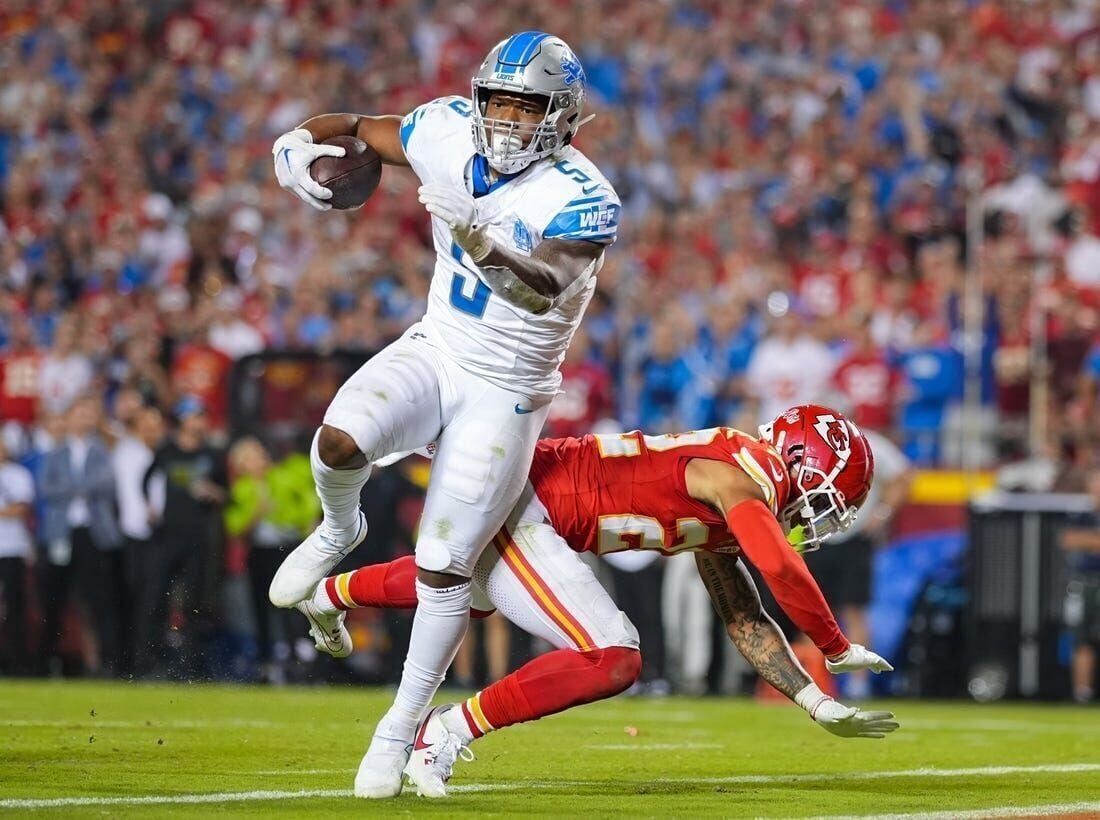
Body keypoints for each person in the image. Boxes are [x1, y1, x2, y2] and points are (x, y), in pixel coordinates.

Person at [267, 30, 620, 798]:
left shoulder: (583, 195)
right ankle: (339, 529)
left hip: (509, 391)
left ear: (560, 117)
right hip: (439, 348)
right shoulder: (448, 127)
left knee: (442, 564)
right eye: (496, 102)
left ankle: (396, 733)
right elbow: (358, 127)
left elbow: (540, 286)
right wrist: (295, 143)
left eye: (524, 109)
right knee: (335, 440)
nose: (504, 121)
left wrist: (473, 232)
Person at [299, 405, 898, 797]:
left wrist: (817, 702)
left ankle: (328, 593)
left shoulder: (731, 482)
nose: (827, 513)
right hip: (531, 505)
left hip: (530, 503)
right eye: (832, 494)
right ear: (803, 461)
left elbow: (743, 614)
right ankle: (444, 730)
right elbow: (778, 565)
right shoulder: (741, 476)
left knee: (468, 589)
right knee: (613, 654)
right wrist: (835, 646)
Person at [803, 426, 911, 699]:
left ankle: (857, 684)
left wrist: (883, 513)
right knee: (811, 612)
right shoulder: (805, 443)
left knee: (854, 612)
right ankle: (812, 679)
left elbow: (902, 475)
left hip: (854, 535)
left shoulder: (867, 442)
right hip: (817, 535)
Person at [135, 396, 226, 678]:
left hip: (198, 538)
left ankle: (189, 666)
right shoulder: (167, 451)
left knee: (193, 603)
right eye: (195, 416)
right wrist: (149, 507)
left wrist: (213, 493)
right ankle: (146, 661)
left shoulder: (211, 454)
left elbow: (226, 493)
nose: (200, 421)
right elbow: (145, 480)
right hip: (168, 535)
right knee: (154, 599)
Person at [39, 396, 125, 675]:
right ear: (68, 418)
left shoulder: (101, 451)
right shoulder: (55, 452)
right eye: (78, 414)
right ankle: (47, 660)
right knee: (54, 598)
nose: (83, 419)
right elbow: (45, 489)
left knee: (99, 599)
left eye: (88, 414)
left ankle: (107, 661)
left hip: (93, 533)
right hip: (62, 532)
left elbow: (107, 484)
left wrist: (73, 488)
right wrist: (81, 489)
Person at [224, 437, 320, 683]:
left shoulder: (282, 477)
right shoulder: (240, 490)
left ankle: (298, 656)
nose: (258, 461)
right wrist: (255, 513)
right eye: (250, 457)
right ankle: (266, 662)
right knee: (262, 608)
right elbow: (235, 527)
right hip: (259, 552)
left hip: (286, 548)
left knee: (292, 605)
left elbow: (307, 500)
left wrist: (309, 523)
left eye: (259, 454)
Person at [1061, 467, 1100, 703]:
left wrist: (1090, 541)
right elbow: (1069, 539)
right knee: (1082, 639)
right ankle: (1082, 692)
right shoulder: (1082, 515)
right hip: (1085, 584)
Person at [0, 433, 34, 674]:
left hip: (12, 547)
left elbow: (21, 509)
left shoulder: (18, 474)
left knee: (14, 607)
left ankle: (16, 663)